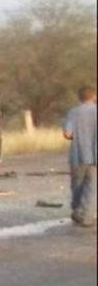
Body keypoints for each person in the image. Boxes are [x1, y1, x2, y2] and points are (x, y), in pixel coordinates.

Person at [62, 86, 97, 227]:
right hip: (94, 156)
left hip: (77, 156)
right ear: (94, 96)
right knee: (92, 187)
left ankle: (77, 211)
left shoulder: (73, 113)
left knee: (77, 185)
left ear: (79, 97)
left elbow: (67, 134)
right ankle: (88, 217)